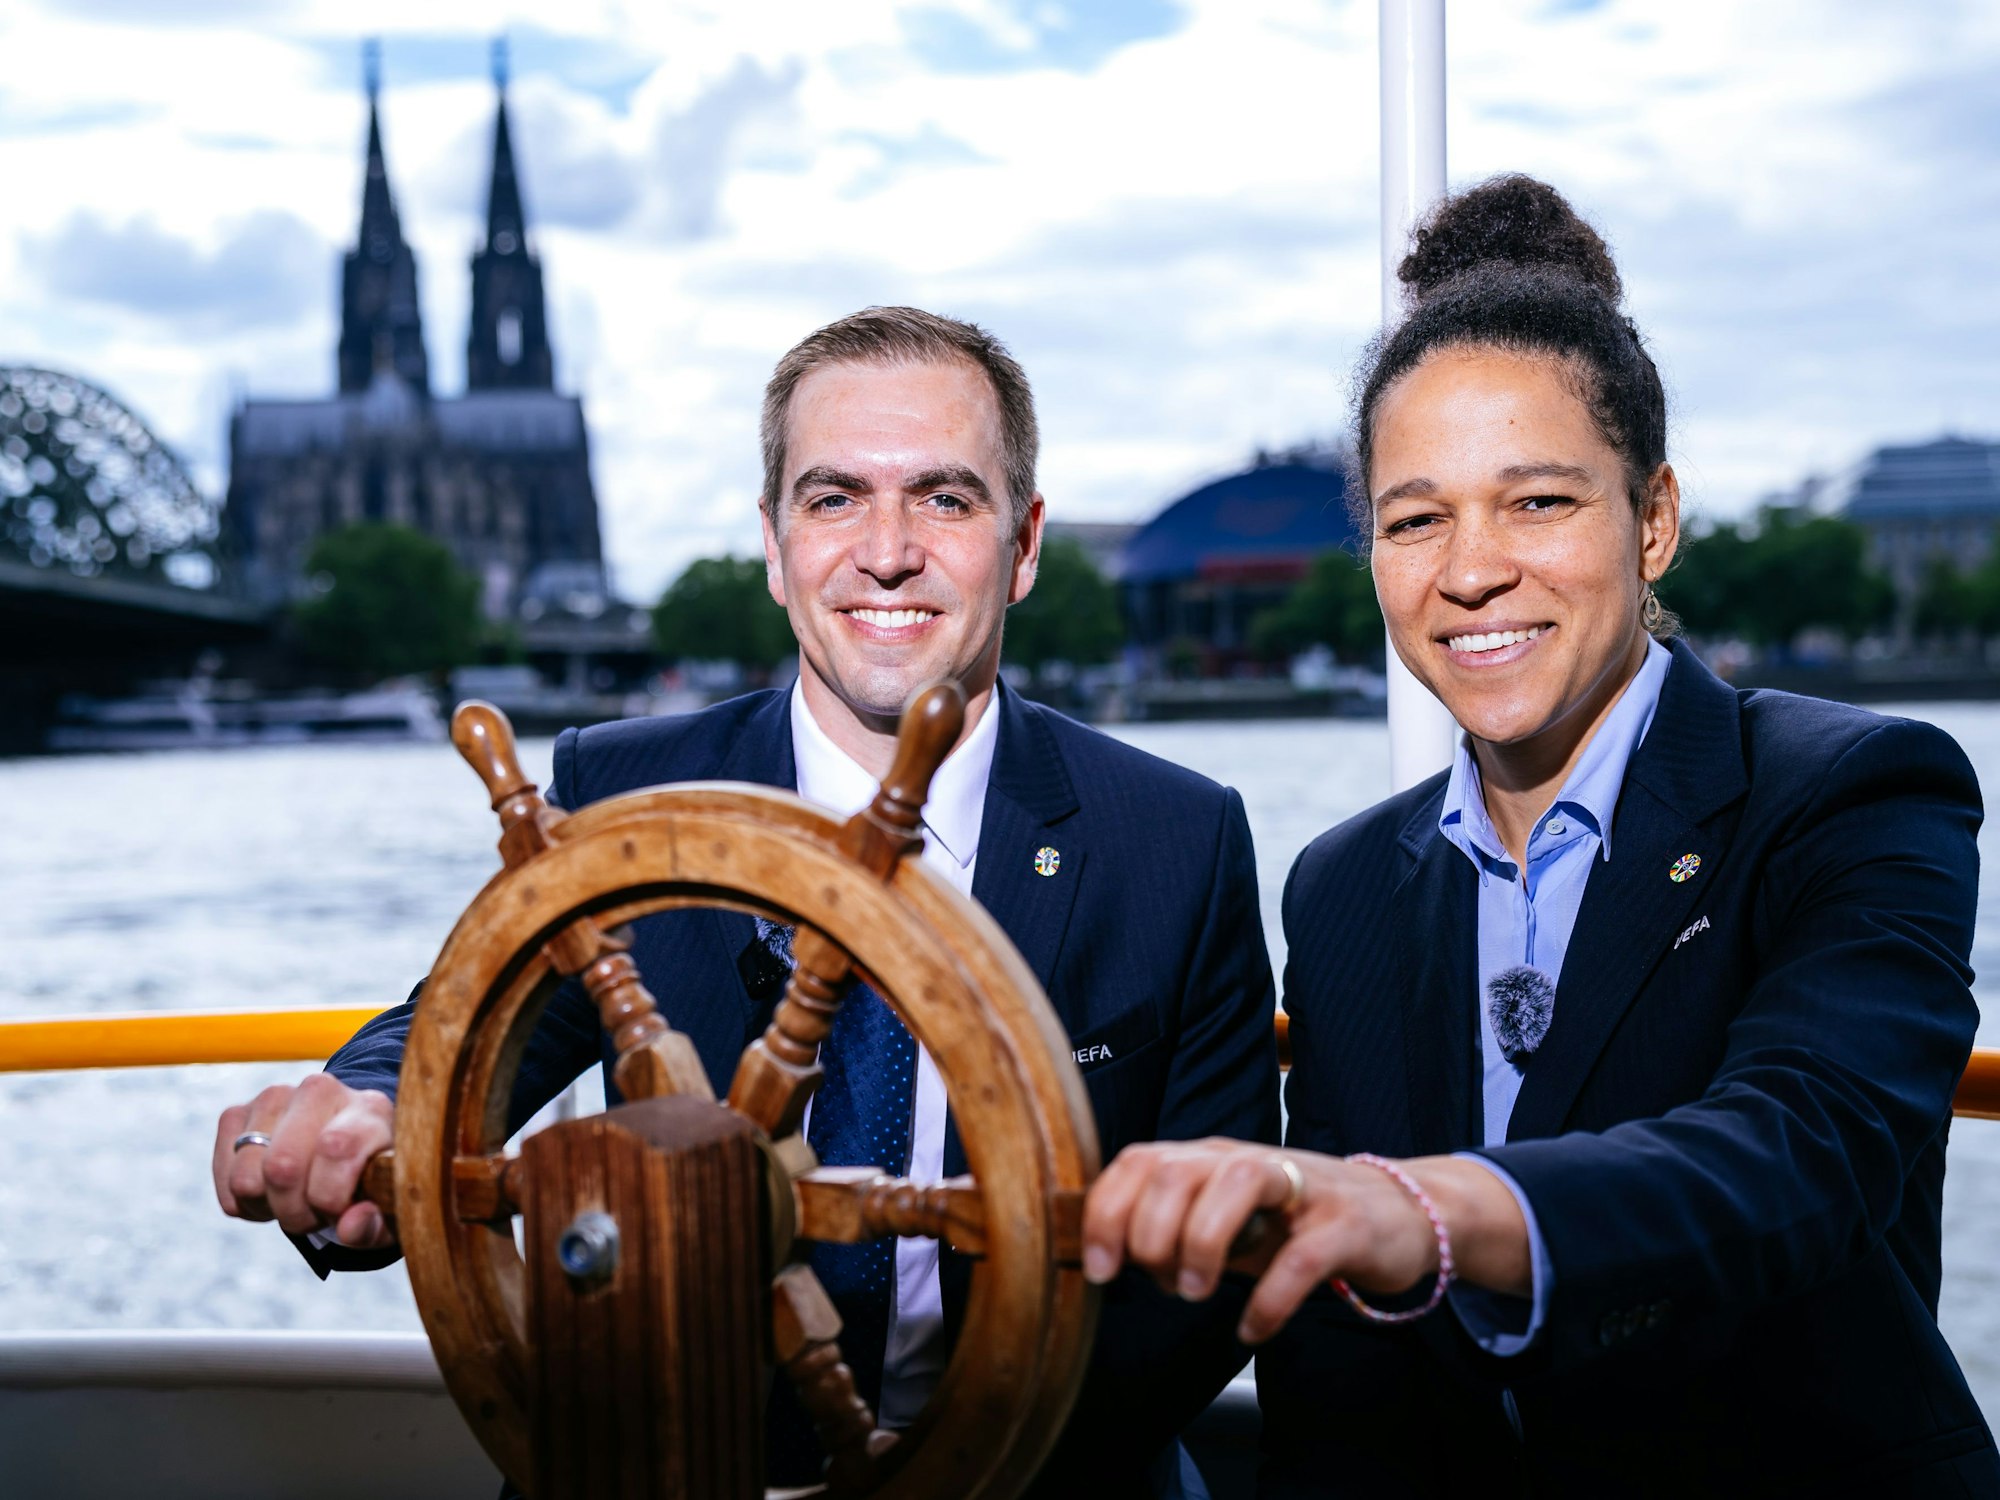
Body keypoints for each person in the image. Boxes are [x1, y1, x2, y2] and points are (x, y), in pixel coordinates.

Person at [212, 306, 1279, 1497]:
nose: (886, 553)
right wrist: (359, 1117)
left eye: (943, 498)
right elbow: (461, 1029)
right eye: (832, 500)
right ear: (773, 545)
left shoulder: (1175, 839)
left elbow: (1207, 1283)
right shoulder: (620, 789)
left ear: (1022, 544)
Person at [1080, 177, 1998, 1497]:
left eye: (1538, 502)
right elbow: (1340, 1378)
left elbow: (1800, 1151)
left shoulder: (1851, 791)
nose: (1470, 571)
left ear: (1653, 520)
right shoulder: (1341, 885)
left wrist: (1422, 1209)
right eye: (1415, 519)